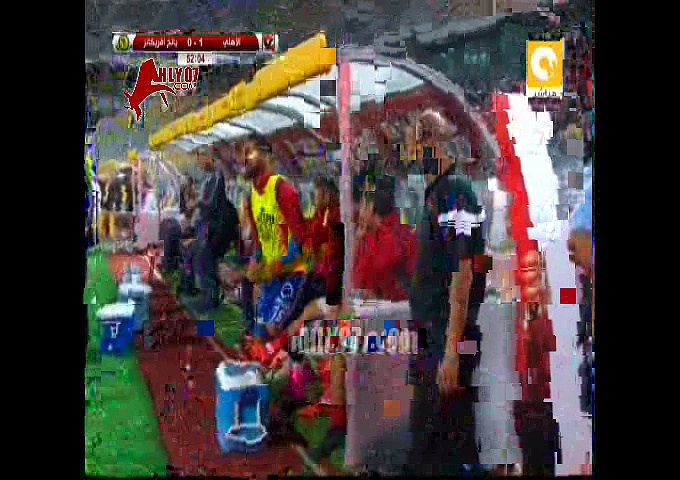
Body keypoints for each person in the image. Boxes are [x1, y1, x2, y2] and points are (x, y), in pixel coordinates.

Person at [406, 110, 488, 475]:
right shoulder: (438, 194)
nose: (413, 154)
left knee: (437, 441)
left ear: (431, 141)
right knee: (448, 436)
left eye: (416, 144)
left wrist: (452, 350)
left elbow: (463, 272)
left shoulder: (454, 192)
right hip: (434, 334)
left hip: (447, 336)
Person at [187, 150, 240, 314]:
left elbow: (211, 204)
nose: (199, 164)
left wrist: (197, 203)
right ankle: (202, 294)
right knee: (197, 253)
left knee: (204, 256)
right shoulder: (210, 178)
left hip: (217, 228)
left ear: (208, 157)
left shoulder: (218, 176)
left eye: (200, 159)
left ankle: (209, 301)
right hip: (209, 226)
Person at [352, 175, 416, 302]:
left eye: (363, 203)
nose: (359, 210)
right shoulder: (371, 234)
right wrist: (358, 240)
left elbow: (365, 281)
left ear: (371, 206)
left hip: (393, 307)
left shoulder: (391, 237)